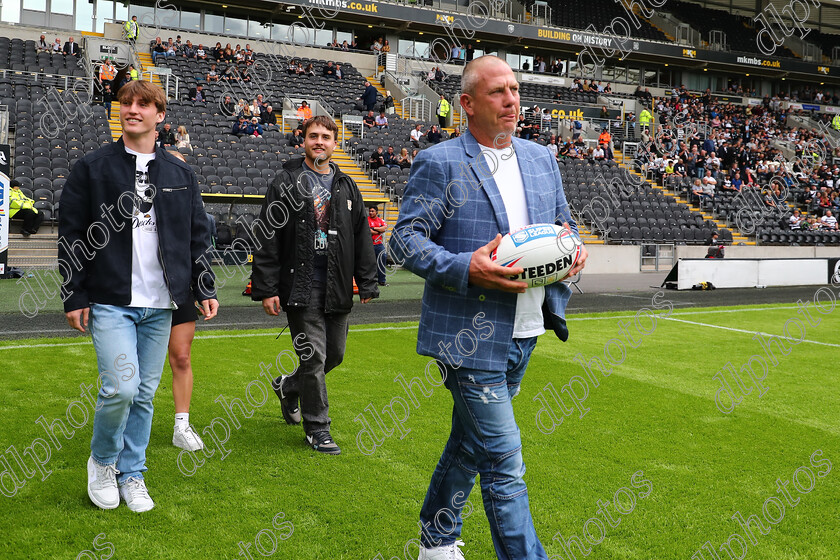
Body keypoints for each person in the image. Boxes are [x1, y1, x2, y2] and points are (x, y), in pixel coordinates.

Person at [389, 55, 587, 560]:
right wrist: (465, 267)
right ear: (467, 103)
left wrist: (575, 251)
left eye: (515, 89)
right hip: (467, 336)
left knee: (470, 446)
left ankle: (435, 538)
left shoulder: (542, 157)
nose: (511, 99)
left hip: (526, 333)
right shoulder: (441, 162)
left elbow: (566, 227)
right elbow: (405, 239)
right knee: (504, 460)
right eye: (498, 91)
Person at [59, 80, 218, 512]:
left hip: (161, 302)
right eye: (126, 103)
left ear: (159, 115)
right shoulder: (91, 168)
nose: (132, 109)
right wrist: (74, 294)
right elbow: (72, 235)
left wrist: (203, 285)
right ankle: (103, 462)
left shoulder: (181, 173)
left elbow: (196, 237)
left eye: (143, 104)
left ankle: (133, 474)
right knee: (122, 389)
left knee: (145, 394)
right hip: (111, 299)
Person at [251, 115, 379, 454]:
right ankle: (317, 428)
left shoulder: (347, 186)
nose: (319, 141)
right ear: (302, 140)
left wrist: (367, 281)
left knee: (333, 355)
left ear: (335, 142)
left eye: (325, 136)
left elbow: (362, 236)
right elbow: (267, 236)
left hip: (336, 285)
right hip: (300, 285)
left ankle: (287, 385)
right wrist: (266, 289)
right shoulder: (285, 181)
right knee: (314, 358)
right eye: (313, 136)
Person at [368, 206, 388, 286]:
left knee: (382, 260)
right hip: (369, 245)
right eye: (370, 211)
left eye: (372, 211)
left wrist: (374, 228)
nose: (371, 212)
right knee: (370, 264)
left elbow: (385, 228)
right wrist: (378, 230)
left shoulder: (380, 220)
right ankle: (371, 281)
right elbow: (369, 230)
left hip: (379, 245)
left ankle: (382, 280)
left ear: (376, 212)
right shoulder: (367, 219)